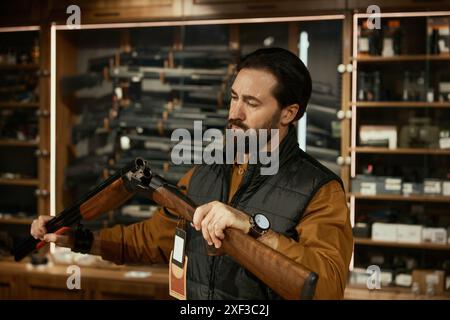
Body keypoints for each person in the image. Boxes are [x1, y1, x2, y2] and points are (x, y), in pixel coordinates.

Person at [31, 47, 353, 300]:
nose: (234, 114)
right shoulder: (206, 172)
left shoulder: (320, 188)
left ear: (288, 113)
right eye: (234, 97)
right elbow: (151, 239)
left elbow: (327, 287)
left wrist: (252, 229)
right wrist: (75, 237)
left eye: (251, 103)